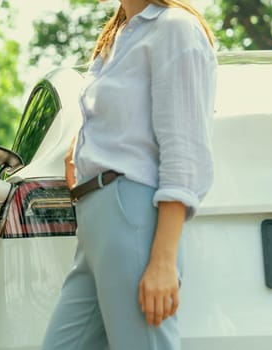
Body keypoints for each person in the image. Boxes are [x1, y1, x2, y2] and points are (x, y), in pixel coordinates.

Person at [43, 0, 216, 349]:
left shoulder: (173, 27)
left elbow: (184, 149)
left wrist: (163, 261)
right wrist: (80, 146)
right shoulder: (121, 36)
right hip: (96, 220)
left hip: (131, 214)